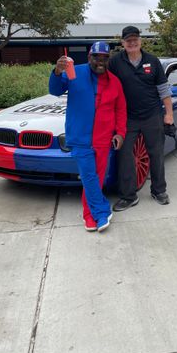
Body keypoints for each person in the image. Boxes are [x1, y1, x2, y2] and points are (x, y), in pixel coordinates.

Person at [49, 41, 127, 232]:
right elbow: (55, 90)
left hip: (103, 138)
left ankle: (88, 214)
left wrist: (120, 133)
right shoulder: (74, 72)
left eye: (104, 58)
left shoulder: (115, 81)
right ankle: (100, 212)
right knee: (88, 176)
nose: (100, 61)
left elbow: (121, 110)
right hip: (80, 137)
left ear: (108, 60)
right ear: (89, 57)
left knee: (97, 178)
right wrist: (58, 71)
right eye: (96, 57)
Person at [109, 25, 174, 211]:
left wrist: (169, 114)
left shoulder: (152, 61)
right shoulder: (115, 62)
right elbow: (106, 84)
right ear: (122, 43)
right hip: (127, 117)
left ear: (140, 40)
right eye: (128, 40)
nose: (132, 42)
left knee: (156, 153)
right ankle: (129, 196)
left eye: (135, 39)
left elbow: (163, 90)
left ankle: (159, 191)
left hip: (152, 115)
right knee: (124, 154)